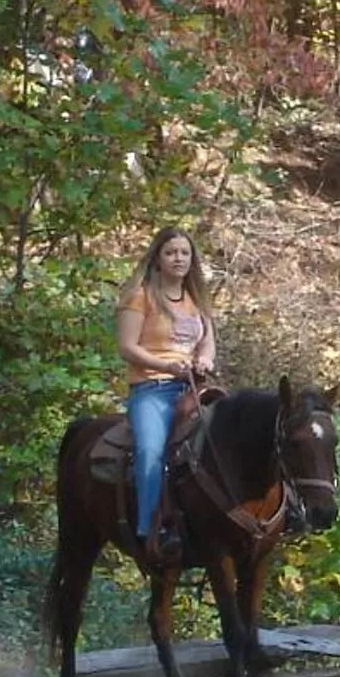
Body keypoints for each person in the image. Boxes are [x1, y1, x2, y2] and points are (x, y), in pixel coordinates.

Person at [116, 226, 218, 565]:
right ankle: (150, 527)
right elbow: (127, 347)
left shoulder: (197, 299)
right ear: (158, 258)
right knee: (150, 450)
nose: (178, 258)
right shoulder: (140, 296)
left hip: (194, 388)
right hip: (153, 388)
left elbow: (208, 342)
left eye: (185, 253)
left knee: (230, 437)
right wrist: (166, 365)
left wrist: (205, 360)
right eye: (171, 252)